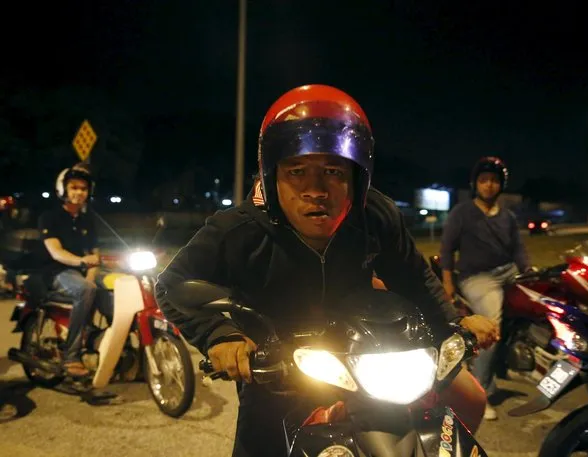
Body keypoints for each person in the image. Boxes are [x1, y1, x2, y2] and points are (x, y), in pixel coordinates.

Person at [155, 85, 499, 456]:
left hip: (367, 360)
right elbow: (173, 284)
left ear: (357, 177)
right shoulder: (237, 229)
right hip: (276, 373)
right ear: (272, 176)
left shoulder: (376, 216)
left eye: (333, 172)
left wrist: (452, 323)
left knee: (469, 401)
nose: (315, 190)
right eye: (298, 171)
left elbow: (412, 276)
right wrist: (219, 334)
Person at [439, 156, 531, 420]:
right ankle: (482, 391)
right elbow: (447, 249)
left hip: (508, 272)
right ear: (475, 184)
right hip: (477, 277)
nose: (489, 185)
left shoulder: (508, 216)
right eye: (484, 180)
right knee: (490, 326)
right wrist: (447, 283)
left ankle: (518, 362)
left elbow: (518, 250)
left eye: (494, 181)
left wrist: (530, 273)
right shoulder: (462, 213)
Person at [38, 164, 112, 377]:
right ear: (63, 189)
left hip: (80, 273)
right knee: (85, 290)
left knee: (118, 288)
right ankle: (71, 355)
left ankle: (112, 346)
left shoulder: (87, 219)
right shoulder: (49, 217)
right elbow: (56, 252)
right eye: (74, 187)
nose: (79, 192)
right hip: (55, 272)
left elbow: (95, 255)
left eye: (83, 188)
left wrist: (91, 273)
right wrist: (82, 262)